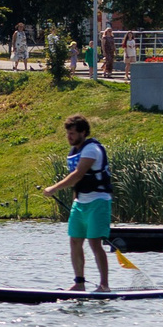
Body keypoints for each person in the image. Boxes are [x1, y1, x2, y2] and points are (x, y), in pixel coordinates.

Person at [40, 113, 113, 292]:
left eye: (72, 133)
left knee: (95, 243)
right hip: (81, 202)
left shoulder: (91, 150)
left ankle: (104, 285)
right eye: (68, 133)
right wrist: (75, 200)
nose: (69, 137)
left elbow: (78, 175)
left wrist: (54, 188)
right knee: (75, 242)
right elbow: (80, 182)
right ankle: (79, 283)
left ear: (83, 132)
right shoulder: (75, 151)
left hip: (98, 201)